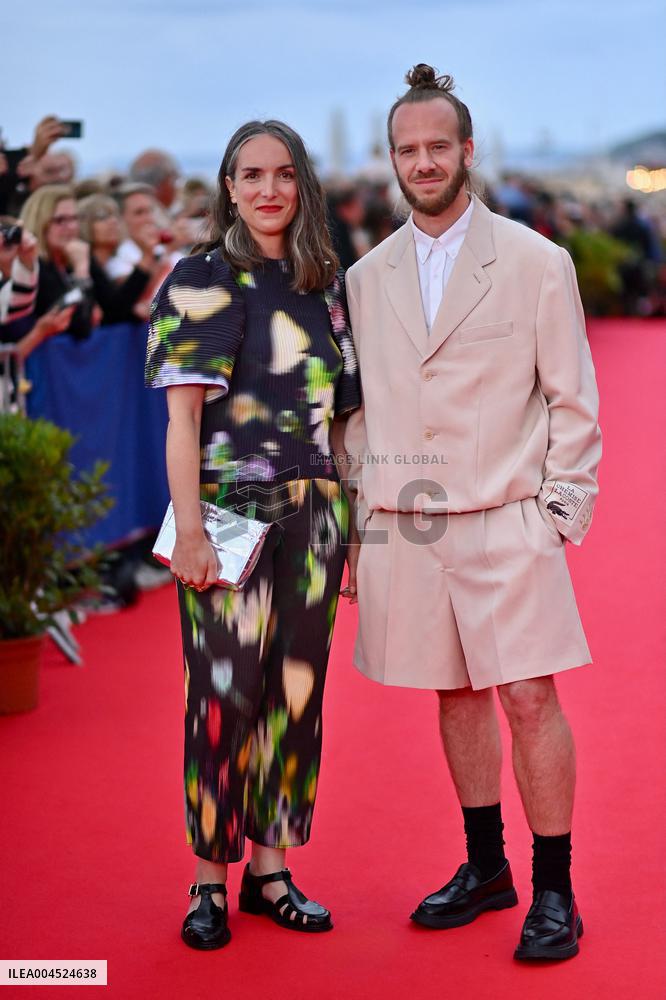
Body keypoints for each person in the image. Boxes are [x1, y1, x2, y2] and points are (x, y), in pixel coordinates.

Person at [343, 65, 601, 963]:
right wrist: (363, 525)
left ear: (468, 151)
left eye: (437, 147)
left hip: (507, 517)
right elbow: (361, 411)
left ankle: (555, 888)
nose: (423, 162)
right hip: (409, 524)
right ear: (392, 160)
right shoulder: (366, 277)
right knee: (454, 696)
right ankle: (487, 869)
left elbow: (573, 401)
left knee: (531, 698)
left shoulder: (536, 260)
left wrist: (558, 516)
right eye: (407, 150)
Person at [145, 119, 361, 951]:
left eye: (282, 174)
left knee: (295, 696)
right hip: (228, 511)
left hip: (314, 514)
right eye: (250, 175)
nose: (268, 189)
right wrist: (192, 533)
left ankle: (272, 871)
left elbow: (346, 421)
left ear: (301, 183)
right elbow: (181, 424)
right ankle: (209, 879)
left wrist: (354, 526)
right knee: (223, 696)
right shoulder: (200, 279)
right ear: (228, 186)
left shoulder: (323, 282)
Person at [20, 185, 160, 340]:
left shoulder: (78, 257)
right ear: (40, 222)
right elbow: (79, 327)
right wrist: (81, 273)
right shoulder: (34, 267)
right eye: (60, 220)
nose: (71, 227)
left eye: (74, 218)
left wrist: (133, 312)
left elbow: (114, 310)